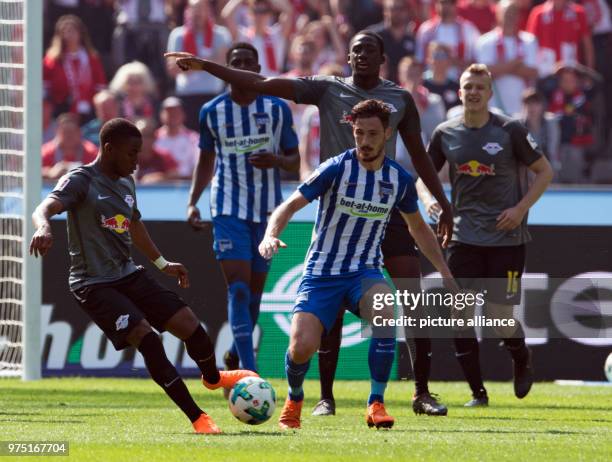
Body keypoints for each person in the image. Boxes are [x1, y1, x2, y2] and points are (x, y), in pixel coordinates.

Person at [166, 29, 454, 417]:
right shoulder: (326, 89)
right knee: (325, 311)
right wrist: (206, 66)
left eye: (371, 49)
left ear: (383, 57)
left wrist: (441, 201)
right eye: (356, 50)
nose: (363, 55)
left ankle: (416, 393)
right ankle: (323, 397)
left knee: (408, 295)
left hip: (385, 201)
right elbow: (261, 82)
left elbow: (419, 156)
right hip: (338, 203)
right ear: (348, 58)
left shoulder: (399, 99)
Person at [30, 118, 257, 434]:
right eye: (131, 154)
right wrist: (42, 226)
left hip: (127, 274)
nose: (137, 162)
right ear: (109, 149)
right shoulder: (81, 180)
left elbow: (134, 225)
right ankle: (198, 418)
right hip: (92, 283)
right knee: (147, 338)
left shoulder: (125, 182)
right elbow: (44, 207)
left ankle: (213, 378)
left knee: (193, 328)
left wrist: (163, 263)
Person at [258, 99, 457, 429]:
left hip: (364, 271)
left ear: (387, 134)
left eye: (372, 134)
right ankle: (294, 397)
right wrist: (270, 234)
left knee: (384, 311)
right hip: (321, 273)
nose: (365, 141)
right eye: (359, 133)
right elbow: (289, 206)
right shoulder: (336, 168)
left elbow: (418, 227)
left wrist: (446, 272)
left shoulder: (398, 179)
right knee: (301, 348)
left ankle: (376, 403)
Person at [420, 64, 553, 406]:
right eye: (468, 86)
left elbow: (544, 171)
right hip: (463, 238)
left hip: (507, 240)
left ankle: (521, 357)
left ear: (490, 93)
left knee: (499, 318)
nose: (474, 91)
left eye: (481, 86)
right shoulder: (445, 132)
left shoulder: (510, 130)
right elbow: (423, 177)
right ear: (460, 92)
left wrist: (521, 209)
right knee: (460, 313)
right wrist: (430, 201)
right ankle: (478, 394)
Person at [186, 42, 300, 375]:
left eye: (249, 62)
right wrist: (193, 201)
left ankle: (236, 352)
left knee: (253, 295)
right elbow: (206, 159)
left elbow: (295, 159)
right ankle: (249, 373)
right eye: (237, 62)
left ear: (258, 66)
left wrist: (277, 160)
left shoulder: (278, 109)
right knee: (237, 288)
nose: (244, 67)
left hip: (267, 213)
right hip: (227, 206)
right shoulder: (212, 111)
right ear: (229, 67)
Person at [166, 0, 232, 130]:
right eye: (194, 9)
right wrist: (209, 62)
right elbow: (173, 69)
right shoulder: (177, 35)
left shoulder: (221, 34)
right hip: (187, 98)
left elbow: (225, 65)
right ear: (187, 11)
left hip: (214, 95)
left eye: (201, 8)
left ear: (208, 11)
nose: (197, 13)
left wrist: (190, 64)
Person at [475, 0, 539, 117]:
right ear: (498, 14)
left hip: (523, 110)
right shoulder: (485, 42)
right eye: (506, 13)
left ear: (519, 16)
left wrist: (500, 67)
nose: (510, 17)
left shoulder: (529, 41)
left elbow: (532, 72)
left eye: (513, 13)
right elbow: (484, 73)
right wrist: (515, 64)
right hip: (493, 108)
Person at [43, 15, 107, 122]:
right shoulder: (52, 59)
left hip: (88, 111)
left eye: (72, 31)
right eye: (64, 32)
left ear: (80, 34)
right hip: (61, 111)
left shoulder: (92, 58)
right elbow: (44, 89)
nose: (68, 35)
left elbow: (100, 87)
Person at [526, 0, 595, 75]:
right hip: (546, 70)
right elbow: (530, 45)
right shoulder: (538, 13)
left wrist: (589, 72)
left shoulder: (578, 12)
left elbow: (587, 45)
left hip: (570, 71)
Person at [154, 97, 200, 179]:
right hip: (159, 186)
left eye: (176, 112)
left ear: (183, 115)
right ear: (161, 115)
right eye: (169, 112)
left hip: (186, 185)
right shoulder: (154, 137)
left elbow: (198, 166)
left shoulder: (194, 138)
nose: (172, 115)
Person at [42, 113, 98, 180]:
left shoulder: (91, 151)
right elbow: (32, 170)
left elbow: (102, 172)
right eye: (65, 132)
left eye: (72, 132)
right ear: (57, 132)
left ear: (79, 132)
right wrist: (50, 172)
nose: (69, 136)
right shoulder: (46, 151)